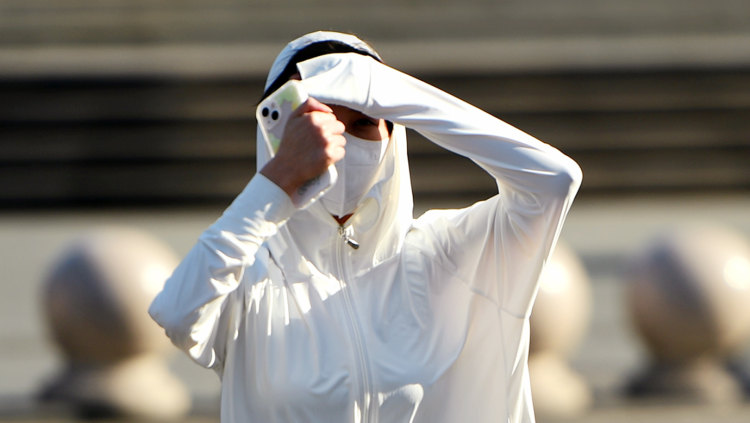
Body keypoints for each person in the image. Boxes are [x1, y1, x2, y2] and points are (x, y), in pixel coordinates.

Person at [149, 31, 582, 423]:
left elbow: (554, 180)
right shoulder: (250, 273)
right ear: (278, 136)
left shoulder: (446, 254)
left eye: (363, 123)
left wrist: (384, 88)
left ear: (393, 133)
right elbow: (178, 312)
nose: (338, 141)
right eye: (320, 125)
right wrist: (279, 179)